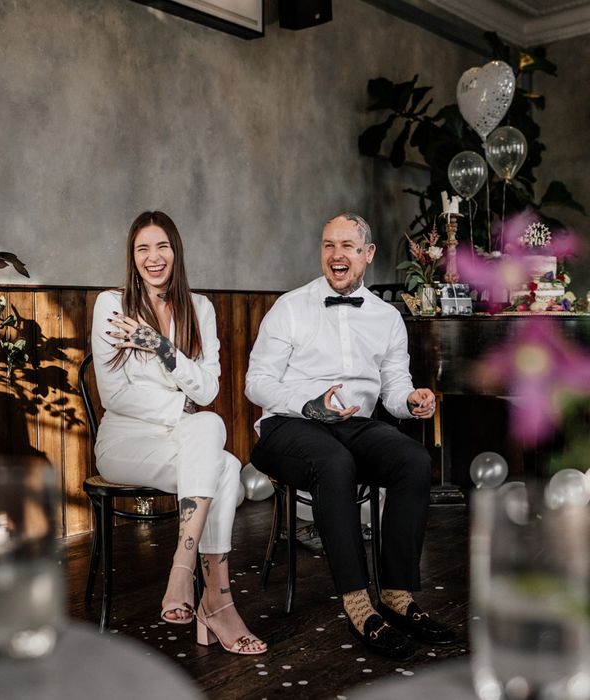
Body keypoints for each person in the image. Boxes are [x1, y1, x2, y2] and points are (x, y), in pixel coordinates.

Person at [245, 212, 455, 659]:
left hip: (353, 424)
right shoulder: (290, 307)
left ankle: (398, 596)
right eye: (328, 245)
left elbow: (394, 387)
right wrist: (308, 403)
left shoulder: (386, 318)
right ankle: (359, 605)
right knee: (333, 463)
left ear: (367, 254)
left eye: (346, 246)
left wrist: (412, 400)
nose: (336, 255)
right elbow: (256, 382)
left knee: (413, 460)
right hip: (288, 424)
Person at [90, 210, 266, 655]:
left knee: (213, 434)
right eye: (143, 249)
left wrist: (161, 347)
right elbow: (115, 395)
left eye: (162, 246)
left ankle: (185, 572)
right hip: (124, 442)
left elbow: (209, 389)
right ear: (132, 258)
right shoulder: (112, 305)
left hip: (183, 438)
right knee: (217, 452)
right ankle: (217, 602)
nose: (154, 258)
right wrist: (181, 405)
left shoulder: (200, 308)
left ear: (176, 251)